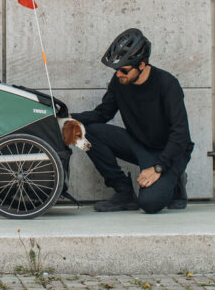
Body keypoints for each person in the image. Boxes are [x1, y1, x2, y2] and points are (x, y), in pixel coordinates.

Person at [70, 28, 194, 213]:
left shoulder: (167, 84)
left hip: (170, 152)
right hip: (140, 145)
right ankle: (123, 191)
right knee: (82, 135)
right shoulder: (120, 81)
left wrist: (159, 167)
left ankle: (175, 181)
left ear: (142, 65)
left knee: (150, 204)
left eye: (124, 70)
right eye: (116, 70)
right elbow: (103, 114)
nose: (119, 74)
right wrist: (70, 118)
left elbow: (181, 134)